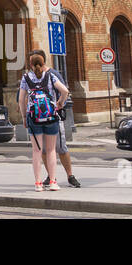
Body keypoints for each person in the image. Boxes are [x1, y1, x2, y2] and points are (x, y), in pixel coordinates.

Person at [29, 51, 81, 188]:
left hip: (53, 118)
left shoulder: (53, 74)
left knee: (60, 148)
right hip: (39, 119)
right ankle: (51, 176)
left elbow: (64, 91)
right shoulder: (30, 77)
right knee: (45, 150)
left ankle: (70, 175)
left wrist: (60, 104)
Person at [19, 52, 69, 191]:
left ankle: (38, 183)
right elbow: (65, 91)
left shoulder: (25, 78)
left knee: (37, 151)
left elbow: (21, 99)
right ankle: (53, 182)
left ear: (30, 64)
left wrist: (24, 117)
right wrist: (60, 103)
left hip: (33, 117)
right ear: (43, 63)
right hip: (50, 116)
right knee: (51, 150)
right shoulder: (50, 75)